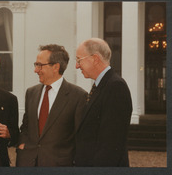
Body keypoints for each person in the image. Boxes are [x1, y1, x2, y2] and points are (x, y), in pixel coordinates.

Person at [16, 44, 87, 167]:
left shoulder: (78, 96)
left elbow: (80, 137)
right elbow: (26, 126)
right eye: (35, 64)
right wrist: (22, 145)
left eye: (39, 65)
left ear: (55, 67)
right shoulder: (31, 92)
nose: (35, 70)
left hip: (59, 165)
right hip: (27, 163)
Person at [74, 38, 133, 167]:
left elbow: (111, 144)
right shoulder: (102, 85)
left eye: (79, 60)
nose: (77, 66)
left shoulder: (115, 86)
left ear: (95, 59)